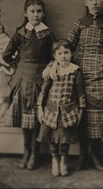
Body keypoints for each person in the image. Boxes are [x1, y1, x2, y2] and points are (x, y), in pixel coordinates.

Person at [43, 0, 103, 171]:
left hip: (101, 73)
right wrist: (54, 63)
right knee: (79, 113)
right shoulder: (79, 23)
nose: (95, 2)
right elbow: (66, 45)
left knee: (97, 116)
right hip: (78, 73)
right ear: (86, 2)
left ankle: (94, 153)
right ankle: (83, 153)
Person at [2, 0, 55, 170]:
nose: (36, 15)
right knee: (25, 119)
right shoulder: (20, 33)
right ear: (26, 13)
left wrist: (49, 66)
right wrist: (18, 66)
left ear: (43, 13)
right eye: (32, 11)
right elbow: (6, 55)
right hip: (22, 78)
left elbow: (54, 56)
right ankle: (26, 151)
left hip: (40, 79)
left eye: (39, 11)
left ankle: (35, 153)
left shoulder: (48, 34)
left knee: (36, 119)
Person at [37, 39, 86, 177]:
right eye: (60, 53)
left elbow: (80, 94)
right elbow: (43, 92)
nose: (63, 56)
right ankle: (55, 158)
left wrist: (81, 111)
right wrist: (39, 108)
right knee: (52, 137)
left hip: (68, 112)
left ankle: (64, 158)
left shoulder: (76, 72)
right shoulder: (51, 71)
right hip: (51, 110)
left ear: (72, 53)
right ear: (55, 56)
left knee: (65, 137)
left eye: (66, 52)